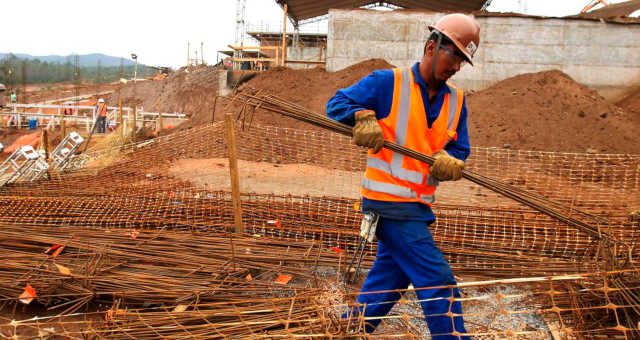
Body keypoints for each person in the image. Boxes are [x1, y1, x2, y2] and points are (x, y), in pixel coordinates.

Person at [326, 13, 480, 339]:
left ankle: (347, 328)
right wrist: (361, 117)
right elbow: (336, 102)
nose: (456, 66)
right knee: (437, 278)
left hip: (418, 208)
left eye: (462, 61)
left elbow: (460, 149)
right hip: (388, 204)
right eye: (454, 55)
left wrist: (452, 161)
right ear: (430, 47)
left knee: (390, 277)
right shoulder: (387, 83)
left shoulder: (457, 102)